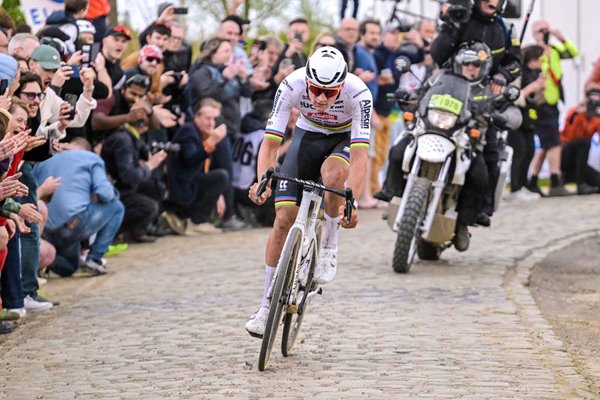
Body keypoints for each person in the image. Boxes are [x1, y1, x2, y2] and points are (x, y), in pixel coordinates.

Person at [245, 47, 372, 337]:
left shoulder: (359, 93)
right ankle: (265, 308)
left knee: (333, 174)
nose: (320, 98)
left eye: (329, 93)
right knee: (282, 219)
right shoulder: (292, 83)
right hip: (307, 134)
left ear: (342, 84)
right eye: (315, 90)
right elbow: (271, 143)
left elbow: (362, 156)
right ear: (307, 81)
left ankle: (329, 243)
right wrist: (262, 181)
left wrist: (350, 203)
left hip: (343, 138)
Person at [34, 137, 125, 276]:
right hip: (71, 225)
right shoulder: (92, 158)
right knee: (117, 207)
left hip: (42, 229)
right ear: (89, 150)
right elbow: (106, 194)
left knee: (70, 267)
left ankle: (43, 264)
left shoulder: (43, 160)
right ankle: (95, 258)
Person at [526, 20, 578, 197]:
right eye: (541, 31)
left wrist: (560, 38)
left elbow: (573, 53)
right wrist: (543, 53)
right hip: (541, 103)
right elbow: (538, 71)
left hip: (553, 101)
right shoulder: (534, 52)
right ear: (534, 34)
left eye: (546, 30)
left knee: (548, 144)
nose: (544, 33)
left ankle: (533, 180)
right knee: (554, 143)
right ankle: (555, 180)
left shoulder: (555, 50)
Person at [162, 98, 229, 235]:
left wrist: (219, 194)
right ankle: (197, 221)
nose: (211, 123)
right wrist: (211, 142)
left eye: (214, 119)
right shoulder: (188, 130)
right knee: (221, 176)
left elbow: (205, 169)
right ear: (197, 117)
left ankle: (197, 220)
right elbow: (190, 159)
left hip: (190, 186)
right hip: (180, 191)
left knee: (220, 177)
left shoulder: (201, 133)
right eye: (207, 118)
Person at [506, 45, 545, 202]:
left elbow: (537, 99)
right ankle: (515, 188)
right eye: (539, 59)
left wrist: (541, 88)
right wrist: (532, 87)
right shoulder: (519, 73)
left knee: (529, 150)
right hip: (516, 117)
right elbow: (516, 96)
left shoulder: (536, 73)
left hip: (529, 118)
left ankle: (523, 185)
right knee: (520, 151)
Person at [559, 85, 600, 194]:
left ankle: (585, 184)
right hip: (566, 154)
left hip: (580, 163)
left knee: (597, 181)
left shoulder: (596, 117)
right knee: (584, 142)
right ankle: (580, 184)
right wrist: (581, 114)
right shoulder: (575, 112)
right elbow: (569, 136)